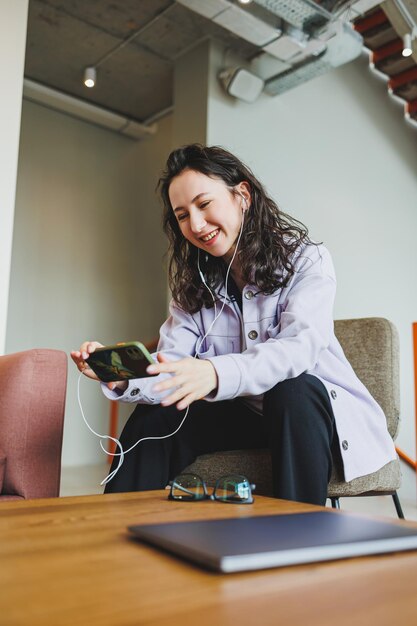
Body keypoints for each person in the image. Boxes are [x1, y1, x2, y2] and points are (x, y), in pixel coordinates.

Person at [71, 143, 397, 505]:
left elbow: (299, 349)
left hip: (304, 416)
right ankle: (113, 534)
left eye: (204, 204)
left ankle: (300, 541)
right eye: (181, 215)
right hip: (241, 416)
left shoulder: (307, 259)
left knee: (292, 390)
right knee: (156, 416)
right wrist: (123, 377)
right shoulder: (193, 288)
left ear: (242, 195)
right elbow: (172, 367)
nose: (195, 224)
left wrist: (213, 372)